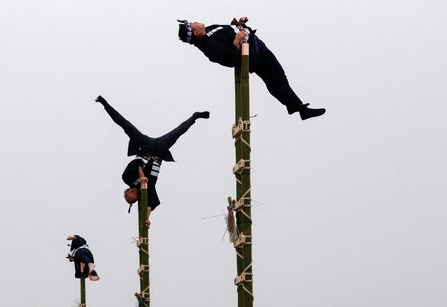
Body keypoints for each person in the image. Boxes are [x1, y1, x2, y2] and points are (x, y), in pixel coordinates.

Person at [177, 19, 325, 120]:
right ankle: (300, 109)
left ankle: (297, 107)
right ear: (195, 33)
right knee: (274, 80)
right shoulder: (208, 47)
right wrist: (236, 39)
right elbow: (229, 59)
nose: (194, 21)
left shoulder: (209, 29)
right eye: (191, 24)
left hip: (254, 42)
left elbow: (226, 36)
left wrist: (236, 26)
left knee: (280, 77)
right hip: (252, 54)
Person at [96, 95, 209, 224]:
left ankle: (104, 103)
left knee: (125, 125)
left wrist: (142, 176)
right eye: (131, 201)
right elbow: (150, 205)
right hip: (159, 151)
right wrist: (147, 219)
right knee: (177, 133)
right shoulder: (146, 191)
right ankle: (194, 117)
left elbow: (137, 163)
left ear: (128, 193)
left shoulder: (126, 178)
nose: (130, 199)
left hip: (145, 146)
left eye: (127, 199)